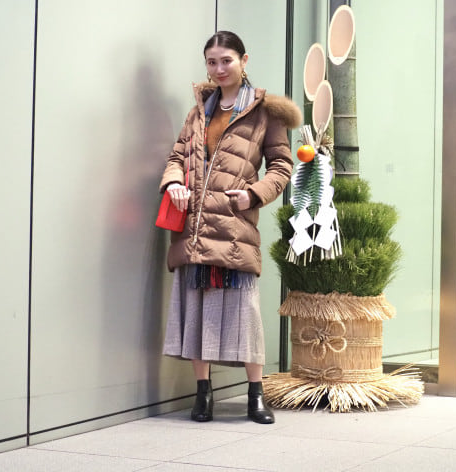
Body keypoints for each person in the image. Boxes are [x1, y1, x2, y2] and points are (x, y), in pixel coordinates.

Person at [159, 31, 301, 424]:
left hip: (234, 228)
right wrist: (173, 183)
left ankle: (256, 396)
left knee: (245, 316)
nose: (219, 69)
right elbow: (176, 157)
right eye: (212, 62)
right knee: (196, 311)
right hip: (194, 228)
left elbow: (282, 166)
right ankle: (202, 395)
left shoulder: (265, 112)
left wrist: (253, 195)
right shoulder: (198, 112)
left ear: (244, 60)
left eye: (227, 60)